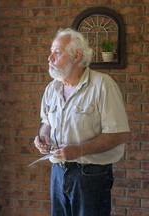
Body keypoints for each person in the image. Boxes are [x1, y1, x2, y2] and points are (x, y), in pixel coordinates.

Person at [33, 28, 130, 216]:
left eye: (57, 53)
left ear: (76, 56)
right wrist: (42, 135)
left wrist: (79, 150)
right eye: (51, 51)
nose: (50, 58)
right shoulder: (52, 88)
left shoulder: (103, 85)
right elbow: (47, 122)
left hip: (91, 175)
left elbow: (119, 134)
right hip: (58, 172)